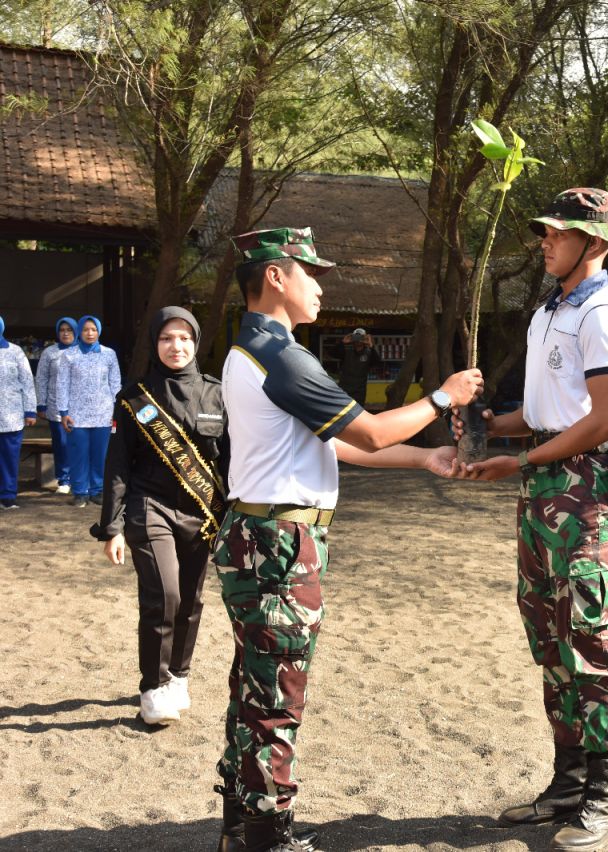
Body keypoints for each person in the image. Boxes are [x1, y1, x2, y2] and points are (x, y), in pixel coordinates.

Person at [212, 226, 482, 852]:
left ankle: (241, 823)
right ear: (275, 276)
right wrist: (445, 395)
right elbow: (368, 434)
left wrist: (424, 460)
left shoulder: (250, 349)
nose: (319, 286)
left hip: (259, 532)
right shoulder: (281, 354)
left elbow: (331, 443)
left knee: (254, 684)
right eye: (311, 272)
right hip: (279, 542)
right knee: (276, 691)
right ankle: (267, 836)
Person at [454, 188, 608, 851]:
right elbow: (541, 408)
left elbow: (607, 417)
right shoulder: (547, 314)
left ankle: (603, 795)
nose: (545, 242)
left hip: (583, 490)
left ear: (596, 242)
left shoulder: (603, 312)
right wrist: (485, 424)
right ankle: (567, 781)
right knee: (550, 636)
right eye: (546, 233)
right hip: (541, 492)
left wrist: (521, 460)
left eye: (558, 234)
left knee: (590, 637)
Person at [90, 307, 228, 727]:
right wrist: (112, 527)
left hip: (202, 514)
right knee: (163, 595)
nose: (176, 346)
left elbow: (234, 461)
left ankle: (178, 677)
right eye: (167, 338)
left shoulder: (217, 394)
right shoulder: (134, 398)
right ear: (155, 343)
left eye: (184, 338)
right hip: (149, 509)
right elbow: (117, 466)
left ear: (197, 342)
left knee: (191, 599)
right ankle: (153, 686)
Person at [56, 316, 121, 508]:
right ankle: (80, 492)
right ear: (80, 332)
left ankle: (97, 490)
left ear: (99, 331)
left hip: (103, 413)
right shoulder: (69, 355)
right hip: (76, 414)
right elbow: (62, 384)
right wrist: (63, 411)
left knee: (101, 454)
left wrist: (116, 409)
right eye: (86, 330)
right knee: (78, 454)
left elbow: (115, 383)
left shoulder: (109, 354)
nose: (90, 333)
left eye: (93, 329)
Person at [34, 317, 77, 493]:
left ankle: (82, 479)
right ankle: (64, 480)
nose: (65, 333)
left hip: (81, 408)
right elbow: (42, 378)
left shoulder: (83, 351)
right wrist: (41, 404)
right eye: (62, 330)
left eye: (69, 330)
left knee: (80, 444)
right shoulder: (49, 353)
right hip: (56, 406)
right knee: (61, 444)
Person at [0, 315, 37, 509]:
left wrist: (30, 411)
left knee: (9, 458)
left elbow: (27, 382)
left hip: (11, 415)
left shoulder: (15, 352)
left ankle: (7, 496)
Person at [336, 327, 383, 405]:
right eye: (356, 337)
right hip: (344, 388)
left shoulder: (369, 352)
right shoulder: (346, 350)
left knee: (358, 411)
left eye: (361, 337)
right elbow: (332, 353)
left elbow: (378, 362)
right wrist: (343, 342)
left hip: (359, 390)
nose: (358, 340)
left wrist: (371, 346)